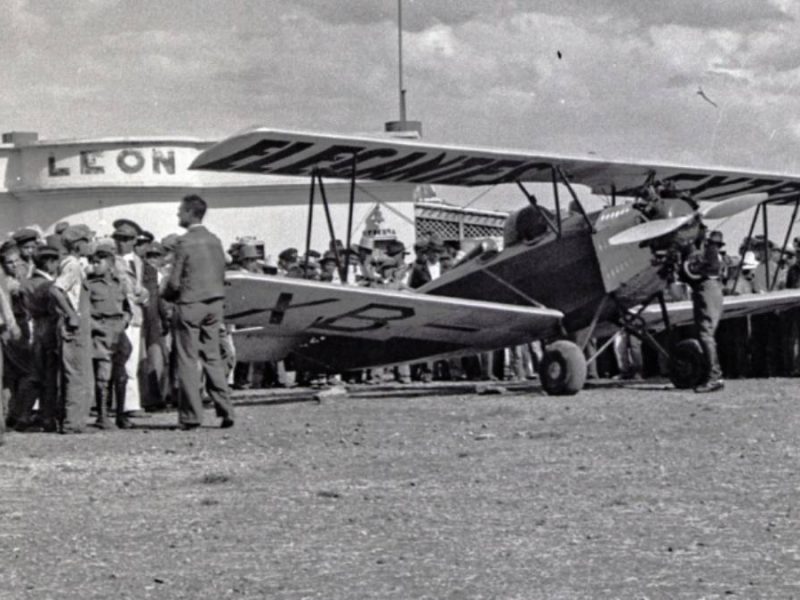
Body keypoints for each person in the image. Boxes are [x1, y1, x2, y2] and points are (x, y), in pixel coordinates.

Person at [163, 194, 235, 429]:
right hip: (214, 304)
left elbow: (174, 282)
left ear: (190, 213)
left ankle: (191, 416)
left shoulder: (184, 242)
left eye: (180, 211)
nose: (178, 215)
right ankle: (225, 409)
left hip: (190, 303)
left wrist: (166, 296)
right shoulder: (215, 240)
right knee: (212, 356)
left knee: (187, 359)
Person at [50, 225, 93, 433]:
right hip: (74, 325)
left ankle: (71, 419)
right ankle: (72, 422)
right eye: (88, 240)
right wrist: (71, 314)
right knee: (75, 373)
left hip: (77, 323)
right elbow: (57, 290)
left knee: (76, 372)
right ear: (78, 244)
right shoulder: (73, 265)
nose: (90, 244)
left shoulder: (74, 264)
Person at [87, 239, 133, 429]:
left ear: (111, 264)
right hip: (101, 332)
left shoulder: (119, 284)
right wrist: (96, 327)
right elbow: (85, 312)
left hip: (119, 331)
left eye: (99, 262)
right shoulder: (89, 285)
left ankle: (121, 415)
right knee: (102, 376)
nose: (95, 265)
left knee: (121, 376)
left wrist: (125, 321)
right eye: (93, 262)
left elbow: (127, 308)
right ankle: (102, 416)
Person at [21, 245, 61, 432]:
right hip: (49, 328)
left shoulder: (26, 283)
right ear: (49, 263)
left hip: (34, 328)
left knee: (34, 374)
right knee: (50, 374)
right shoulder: (48, 285)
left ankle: (24, 414)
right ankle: (47, 416)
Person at [113, 219, 149, 419]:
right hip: (121, 313)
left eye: (126, 239)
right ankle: (127, 404)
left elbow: (139, 286)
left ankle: (130, 402)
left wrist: (143, 294)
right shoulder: (113, 261)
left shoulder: (137, 261)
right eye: (118, 238)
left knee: (132, 359)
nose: (121, 243)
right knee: (124, 360)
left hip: (135, 314)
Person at [681, 227, 724, 392]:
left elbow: (711, 269)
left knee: (706, 333)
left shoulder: (709, 248)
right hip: (703, 289)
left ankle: (714, 377)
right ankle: (712, 375)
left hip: (707, 288)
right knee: (703, 333)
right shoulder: (701, 249)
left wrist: (694, 268)